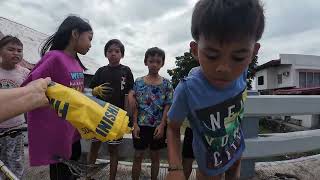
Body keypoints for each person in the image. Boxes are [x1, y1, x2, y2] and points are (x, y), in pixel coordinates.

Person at [166, 0, 265, 179]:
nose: (224, 68)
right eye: (212, 55)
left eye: (238, 57)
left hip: (236, 150)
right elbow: (173, 127)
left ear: (253, 53)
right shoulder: (188, 89)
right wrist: (175, 168)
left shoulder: (242, 74)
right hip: (208, 164)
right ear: (195, 50)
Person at [22, 15, 93, 180]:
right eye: (89, 38)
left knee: (72, 173)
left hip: (73, 130)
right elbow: (30, 87)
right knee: (61, 174)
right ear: (75, 34)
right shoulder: (54, 58)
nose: (90, 44)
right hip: (58, 132)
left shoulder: (76, 63)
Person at [87, 39, 134, 180]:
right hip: (99, 116)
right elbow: (90, 91)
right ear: (106, 54)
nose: (113, 54)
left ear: (122, 54)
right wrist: (94, 91)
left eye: (117, 51)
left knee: (113, 150)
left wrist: (129, 116)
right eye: (110, 51)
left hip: (117, 117)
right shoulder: (101, 71)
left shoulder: (126, 71)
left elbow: (131, 91)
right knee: (94, 147)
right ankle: (88, 176)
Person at [131, 47, 173, 180]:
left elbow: (168, 105)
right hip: (141, 125)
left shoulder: (167, 84)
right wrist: (135, 124)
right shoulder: (138, 82)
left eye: (158, 61)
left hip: (158, 126)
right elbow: (136, 105)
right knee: (137, 156)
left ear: (162, 63)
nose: (154, 64)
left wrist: (162, 125)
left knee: (155, 156)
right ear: (146, 62)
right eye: (151, 61)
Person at [0, 35, 30, 178]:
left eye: (19, 50)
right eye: (11, 49)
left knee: (16, 163)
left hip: (16, 127)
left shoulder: (24, 73)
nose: (16, 53)